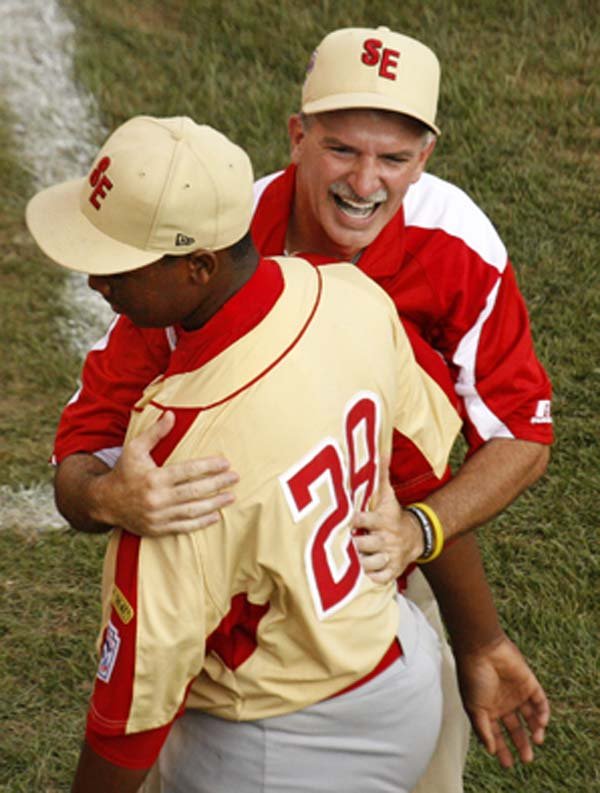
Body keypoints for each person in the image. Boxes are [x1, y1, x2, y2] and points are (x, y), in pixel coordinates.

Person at [47, 26, 552, 791]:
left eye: (394, 158)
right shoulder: (211, 236)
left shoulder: (455, 243)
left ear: (427, 158)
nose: (365, 180)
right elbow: (89, 436)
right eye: (343, 149)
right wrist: (102, 491)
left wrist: (429, 543)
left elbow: (514, 436)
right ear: (298, 136)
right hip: (328, 621)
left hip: (376, 575)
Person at [26, 115, 461, 793]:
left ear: (198, 265)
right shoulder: (344, 294)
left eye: (117, 266)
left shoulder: (179, 468)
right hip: (402, 674)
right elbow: (422, 472)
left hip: (277, 751)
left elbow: (131, 710)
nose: (94, 283)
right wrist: (484, 640)